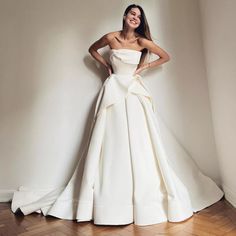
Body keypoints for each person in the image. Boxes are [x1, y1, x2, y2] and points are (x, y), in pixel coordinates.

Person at [11, 4, 224, 226]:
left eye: (139, 17)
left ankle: (139, 196)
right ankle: (110, 195)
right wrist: (105, 66)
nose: (135, 19)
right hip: (112, 90)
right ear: (125, 16)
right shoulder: (110, 37)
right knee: (112, 139)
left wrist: (143, 67)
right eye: (132, 14)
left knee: (140, 141)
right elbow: (92, 49)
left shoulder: (142, 42)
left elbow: (165, 56)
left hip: (133, 92)